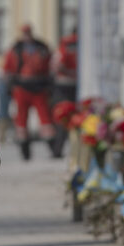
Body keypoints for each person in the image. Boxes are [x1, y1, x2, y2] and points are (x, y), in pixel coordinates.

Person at [3, 24, 55, 160]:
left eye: (28, 32)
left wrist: (50, 84)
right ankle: (25, 152)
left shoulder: (42, 47)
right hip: (21, 88)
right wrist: (9, 86)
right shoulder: (15, 49)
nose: (26, 35)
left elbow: (50, 66)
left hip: (39, 88)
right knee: (21, 121)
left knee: (45, 119)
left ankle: (53, 149)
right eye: (24, 33)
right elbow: (7, 69)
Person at [49, 28, 78, 158]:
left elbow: (56, 65)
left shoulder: (65, 44)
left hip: (62, 85)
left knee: (62, 116)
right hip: (77, 85)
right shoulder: (83, 43)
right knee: (78, 118)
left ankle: (57, 150)